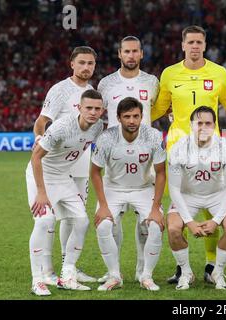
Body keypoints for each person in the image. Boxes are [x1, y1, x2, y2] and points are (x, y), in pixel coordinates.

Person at [152, 25, 226, 284]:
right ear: (182, 45)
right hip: (178, 148)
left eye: (199, 42)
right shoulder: (169, 74)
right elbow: (157, 109)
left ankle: (212, 265)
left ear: (205, 44)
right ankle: (183, 268)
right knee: (184, 203)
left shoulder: (219, 72)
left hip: (213, 148)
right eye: (190, 42)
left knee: (211, 211)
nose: (194, 46)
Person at [27, 89, 105, 295]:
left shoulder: (98, 127)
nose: (93, 112)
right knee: (45, 221)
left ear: (102, 111)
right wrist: (41, 193)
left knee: (82, 220)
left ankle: (68, 274)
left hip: (63, 177)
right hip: (42, 176)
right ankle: (37, 280)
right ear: (79, 108)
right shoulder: (62, 127)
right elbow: (36, 158)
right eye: (88, 108)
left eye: (97, 109)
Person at [32, 46, 98, 285]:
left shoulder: (91, 92)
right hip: (55, 160)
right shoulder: (60, 89)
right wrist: (39, 140)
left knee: (75, 217)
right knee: (50, 217)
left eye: (90, 63)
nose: (86, 67)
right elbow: (42, 121)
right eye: (81, 62)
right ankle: (46, 269)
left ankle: (68, 268)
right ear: (72, 63)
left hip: (80, 161)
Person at [97, 36, 160, 283]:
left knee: (146, 222)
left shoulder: (152, 82)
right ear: (119, 54)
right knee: (113, 220)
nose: (131, 55)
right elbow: (97, 113)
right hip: (115, 160)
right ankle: (114, 270)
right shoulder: (106, 83)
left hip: (145, 160)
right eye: (127, 51)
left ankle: (142, 271)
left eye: (135, 51)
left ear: (142, 54)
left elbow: (160, 108)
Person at [91, 97, 166, 291]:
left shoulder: (154, 136)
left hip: (143, 188)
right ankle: (114, 276)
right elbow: (95, 172)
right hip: (113, 188)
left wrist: (156, 208)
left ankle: (146, 276)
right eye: (127, 117)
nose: (132, 121)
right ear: (118, 118)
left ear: (142, 117)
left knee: (156, 225)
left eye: (136, 116)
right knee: (103, 225)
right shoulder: (106, 138)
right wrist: (103, 205)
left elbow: (160, 173)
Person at [167, 106, 226, 290]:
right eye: (199, 123)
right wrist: (189, 222)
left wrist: (215, 221)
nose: (203, 127)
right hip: (187, 195)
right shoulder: (178, 149)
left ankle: (218, 272)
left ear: (214, 125)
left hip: (218, 194)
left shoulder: (225, 148)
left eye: (208, 123)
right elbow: (174, 189)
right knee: (174, 228)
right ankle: (186, 272)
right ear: (191, 125)